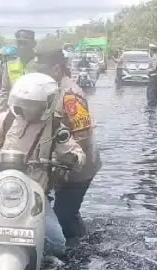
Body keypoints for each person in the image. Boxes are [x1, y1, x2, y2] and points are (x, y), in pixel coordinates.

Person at [0, 72, 87, 261]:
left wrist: (73, 158)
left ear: (47, 104)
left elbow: (78, 153)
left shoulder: (56, 127)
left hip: (34, 191)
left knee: (57, 240)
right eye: (22, 102)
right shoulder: (8, 118)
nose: (23, 108)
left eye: (31, 104)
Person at [33, 49, 102, 243]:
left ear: (56, 68)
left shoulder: (71, 94)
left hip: (78, 166)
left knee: (63, 215)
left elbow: (83, 135)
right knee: (65, 211)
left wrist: (64, 161)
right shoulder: (49, 90)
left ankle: (79, 249)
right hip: (58, 165)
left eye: (43, 70)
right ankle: (81, 237)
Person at [0, 29, 37, 119]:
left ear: (34, 44)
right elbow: (4, 92)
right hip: (14, 115)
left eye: (25, 43)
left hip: (37, 117)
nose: (22, 46)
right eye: (20, 43)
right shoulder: (11, 65)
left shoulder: (41, 65)